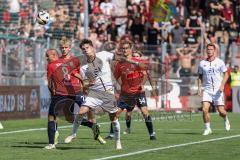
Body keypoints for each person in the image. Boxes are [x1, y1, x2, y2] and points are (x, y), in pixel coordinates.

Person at [44, 38, 103, 149]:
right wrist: (52, 92)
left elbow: (78, 74)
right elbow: (50, 81)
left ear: (70, 48)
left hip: (74, 91)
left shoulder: (75, 61)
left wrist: (84, 83)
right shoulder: (53, 64)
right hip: (60, 93)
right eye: (62, 48)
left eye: (66, 47)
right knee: (56, 117)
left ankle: (94, 127)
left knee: (82, 113)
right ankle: (51, 143)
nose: (64, 49)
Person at [65, 39, 122, 150]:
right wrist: (88, 83)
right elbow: (85, 84)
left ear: (92, 48)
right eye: (83, 49)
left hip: (108, 93)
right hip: (94, 93)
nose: (86, 50)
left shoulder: (104, 55)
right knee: (81, 112)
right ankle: (73, 134)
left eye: (87, 48)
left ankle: (118, 141)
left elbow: (117, 58)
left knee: (114, 119)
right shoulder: (83, 67)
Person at [111, 40, 156, 140]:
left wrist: (142, 85)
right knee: (116, 113)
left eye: (126, 48)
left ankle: (152, 134)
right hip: (125, 94)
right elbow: (115, 77)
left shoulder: (138, 61)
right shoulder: (120, 64)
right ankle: (111, 134)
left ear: (131, 49)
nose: (124, 50)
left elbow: (145, 71)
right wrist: (120, 86)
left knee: (145, 112)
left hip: (138, 92)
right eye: (123, 48)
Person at [198, 43, 231, 136]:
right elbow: (200, 76)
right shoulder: (202, 63)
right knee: (205, 109)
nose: (209, 51)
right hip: (207, 89)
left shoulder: (220, 62)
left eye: (211, 49)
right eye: (208, 49)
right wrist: (200, 87)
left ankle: (225, 118)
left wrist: (222, 85)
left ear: (214, 51)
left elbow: (226, 74)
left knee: (221, 111)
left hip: (217, 90)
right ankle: (208, 129)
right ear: (206, 50)